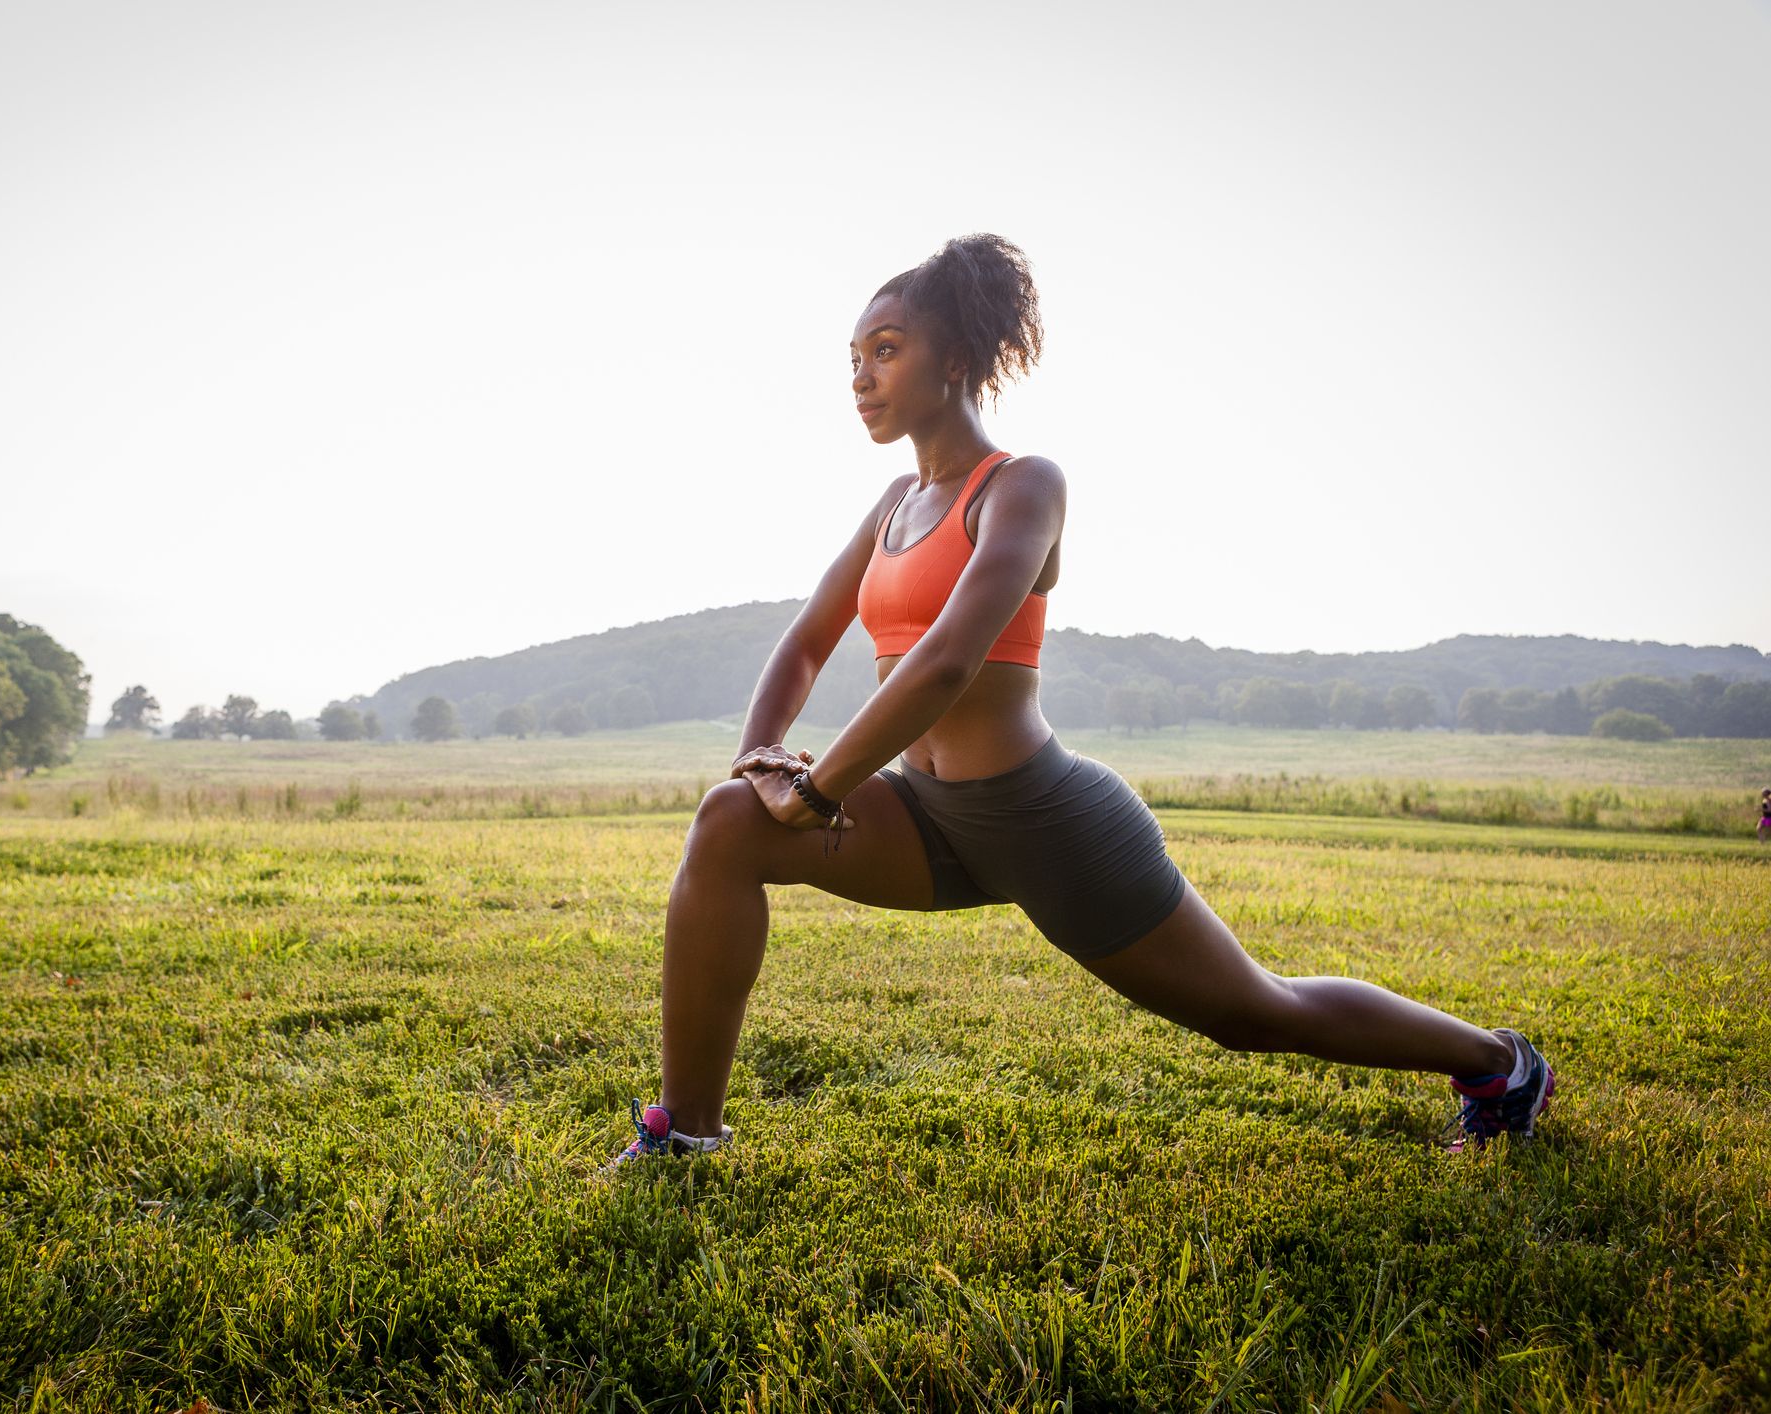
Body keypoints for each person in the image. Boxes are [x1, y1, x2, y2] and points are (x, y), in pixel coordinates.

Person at [608, 234, 1555, 1168]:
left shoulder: (1021, 487)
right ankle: (685, 1132)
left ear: (959, 359)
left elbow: (943, 664)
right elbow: (807, 638)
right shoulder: (894, 504)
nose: (861, 376)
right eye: (852, 359)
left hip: (1044, 817)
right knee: (730, 821)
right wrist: (761, 758)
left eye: (886, 351)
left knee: (1256, 1014)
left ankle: (1497, 1065)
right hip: (928, 816)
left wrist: (817, 793)